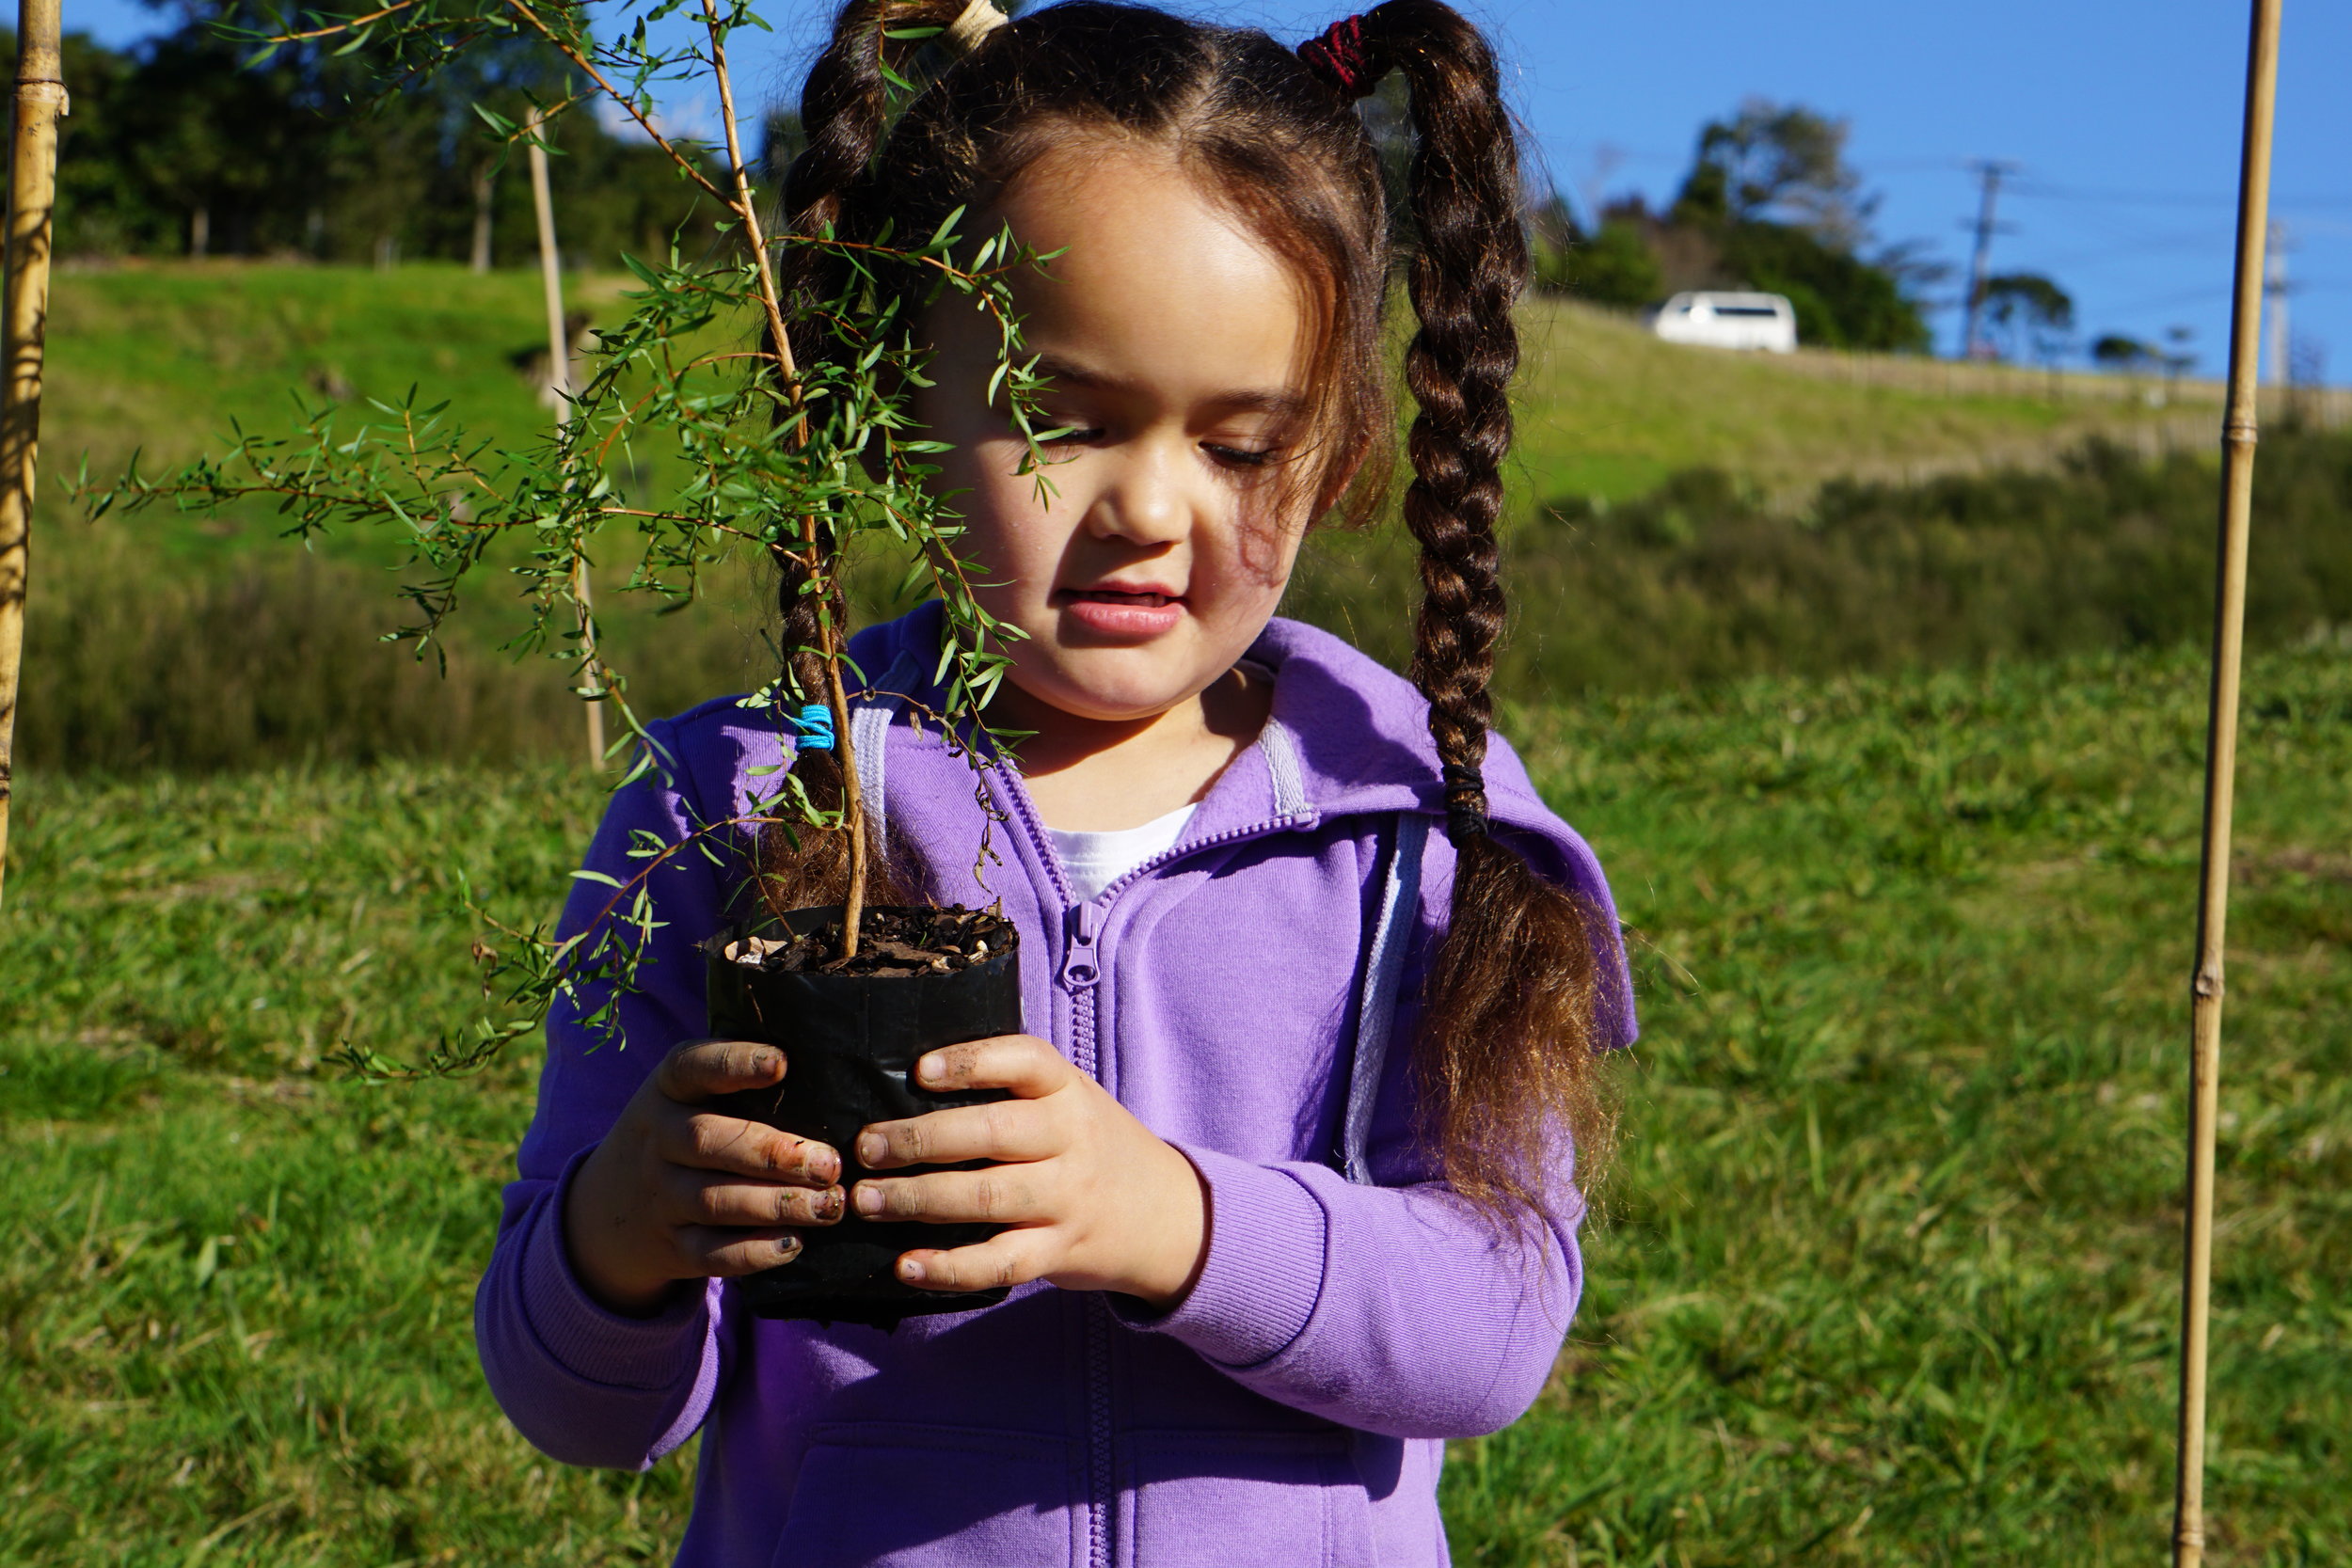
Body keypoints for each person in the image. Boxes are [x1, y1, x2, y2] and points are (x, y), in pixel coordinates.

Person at [475, 2, 1636, 1562]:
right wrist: (622, 1235)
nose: (1152, 509)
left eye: (1240, 446)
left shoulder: (1419, 828)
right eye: (1062, 421)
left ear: (1341, 444)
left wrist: (1167, 1218)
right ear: (895, 403)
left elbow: (1493, 1327)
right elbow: (580, 1410)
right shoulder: (730, 798)